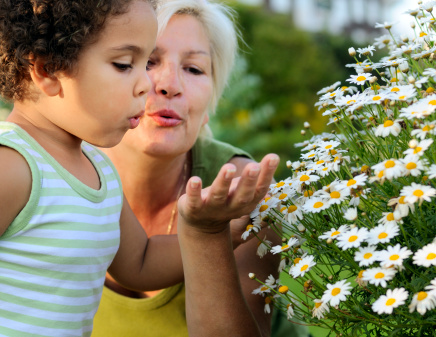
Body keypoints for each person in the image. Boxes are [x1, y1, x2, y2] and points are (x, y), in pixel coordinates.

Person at [0, 1, 279, 336]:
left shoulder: (98, 169)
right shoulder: (13, 164)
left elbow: (141, 262)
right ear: (48, 70)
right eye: (125, 65)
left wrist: (209, 231)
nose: (148, 83)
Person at [91, 0, 309, 336]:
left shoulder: (241, 192)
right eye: (148, 61)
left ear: (209, 104)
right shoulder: (53, 168)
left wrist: (210, 235)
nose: (169, 84)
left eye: (194, 69)